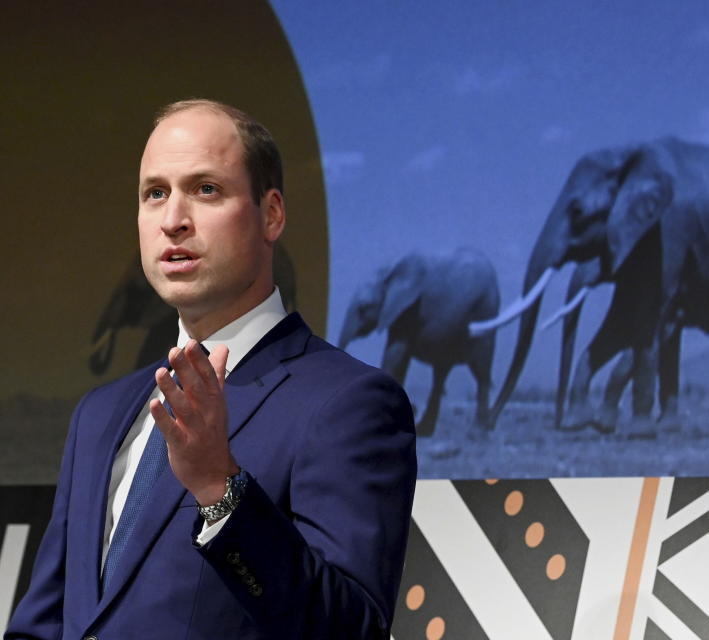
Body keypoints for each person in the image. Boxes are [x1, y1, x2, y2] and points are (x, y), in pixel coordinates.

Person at [5, 99, 417, 639]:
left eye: (206, 190)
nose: (174, 220)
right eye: (155, 194)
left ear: (271, 214)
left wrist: (220, 488)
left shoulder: (349, 404)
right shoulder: (99, 415)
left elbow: (350, 630)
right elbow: (46, 623)